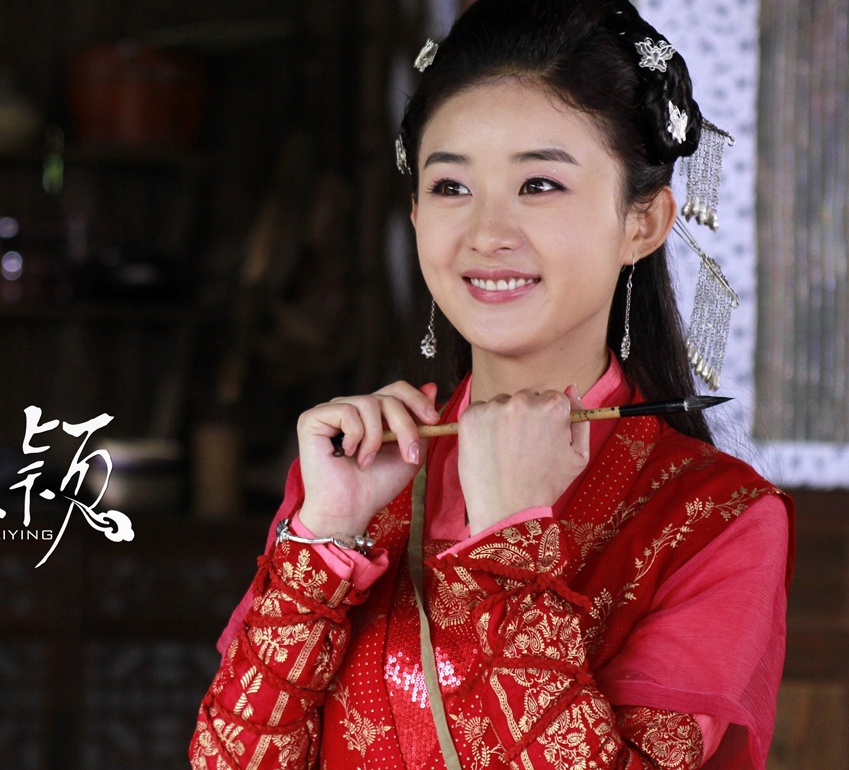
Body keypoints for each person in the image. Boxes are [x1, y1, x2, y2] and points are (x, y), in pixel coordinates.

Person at [190, 0, 794, 767]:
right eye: (451, 187)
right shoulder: (362, 474)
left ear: (642, 221)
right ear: (415, 214)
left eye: (539, 184)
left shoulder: (714, 519)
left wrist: (514, 543)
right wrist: (325, 540)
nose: (486, 233)